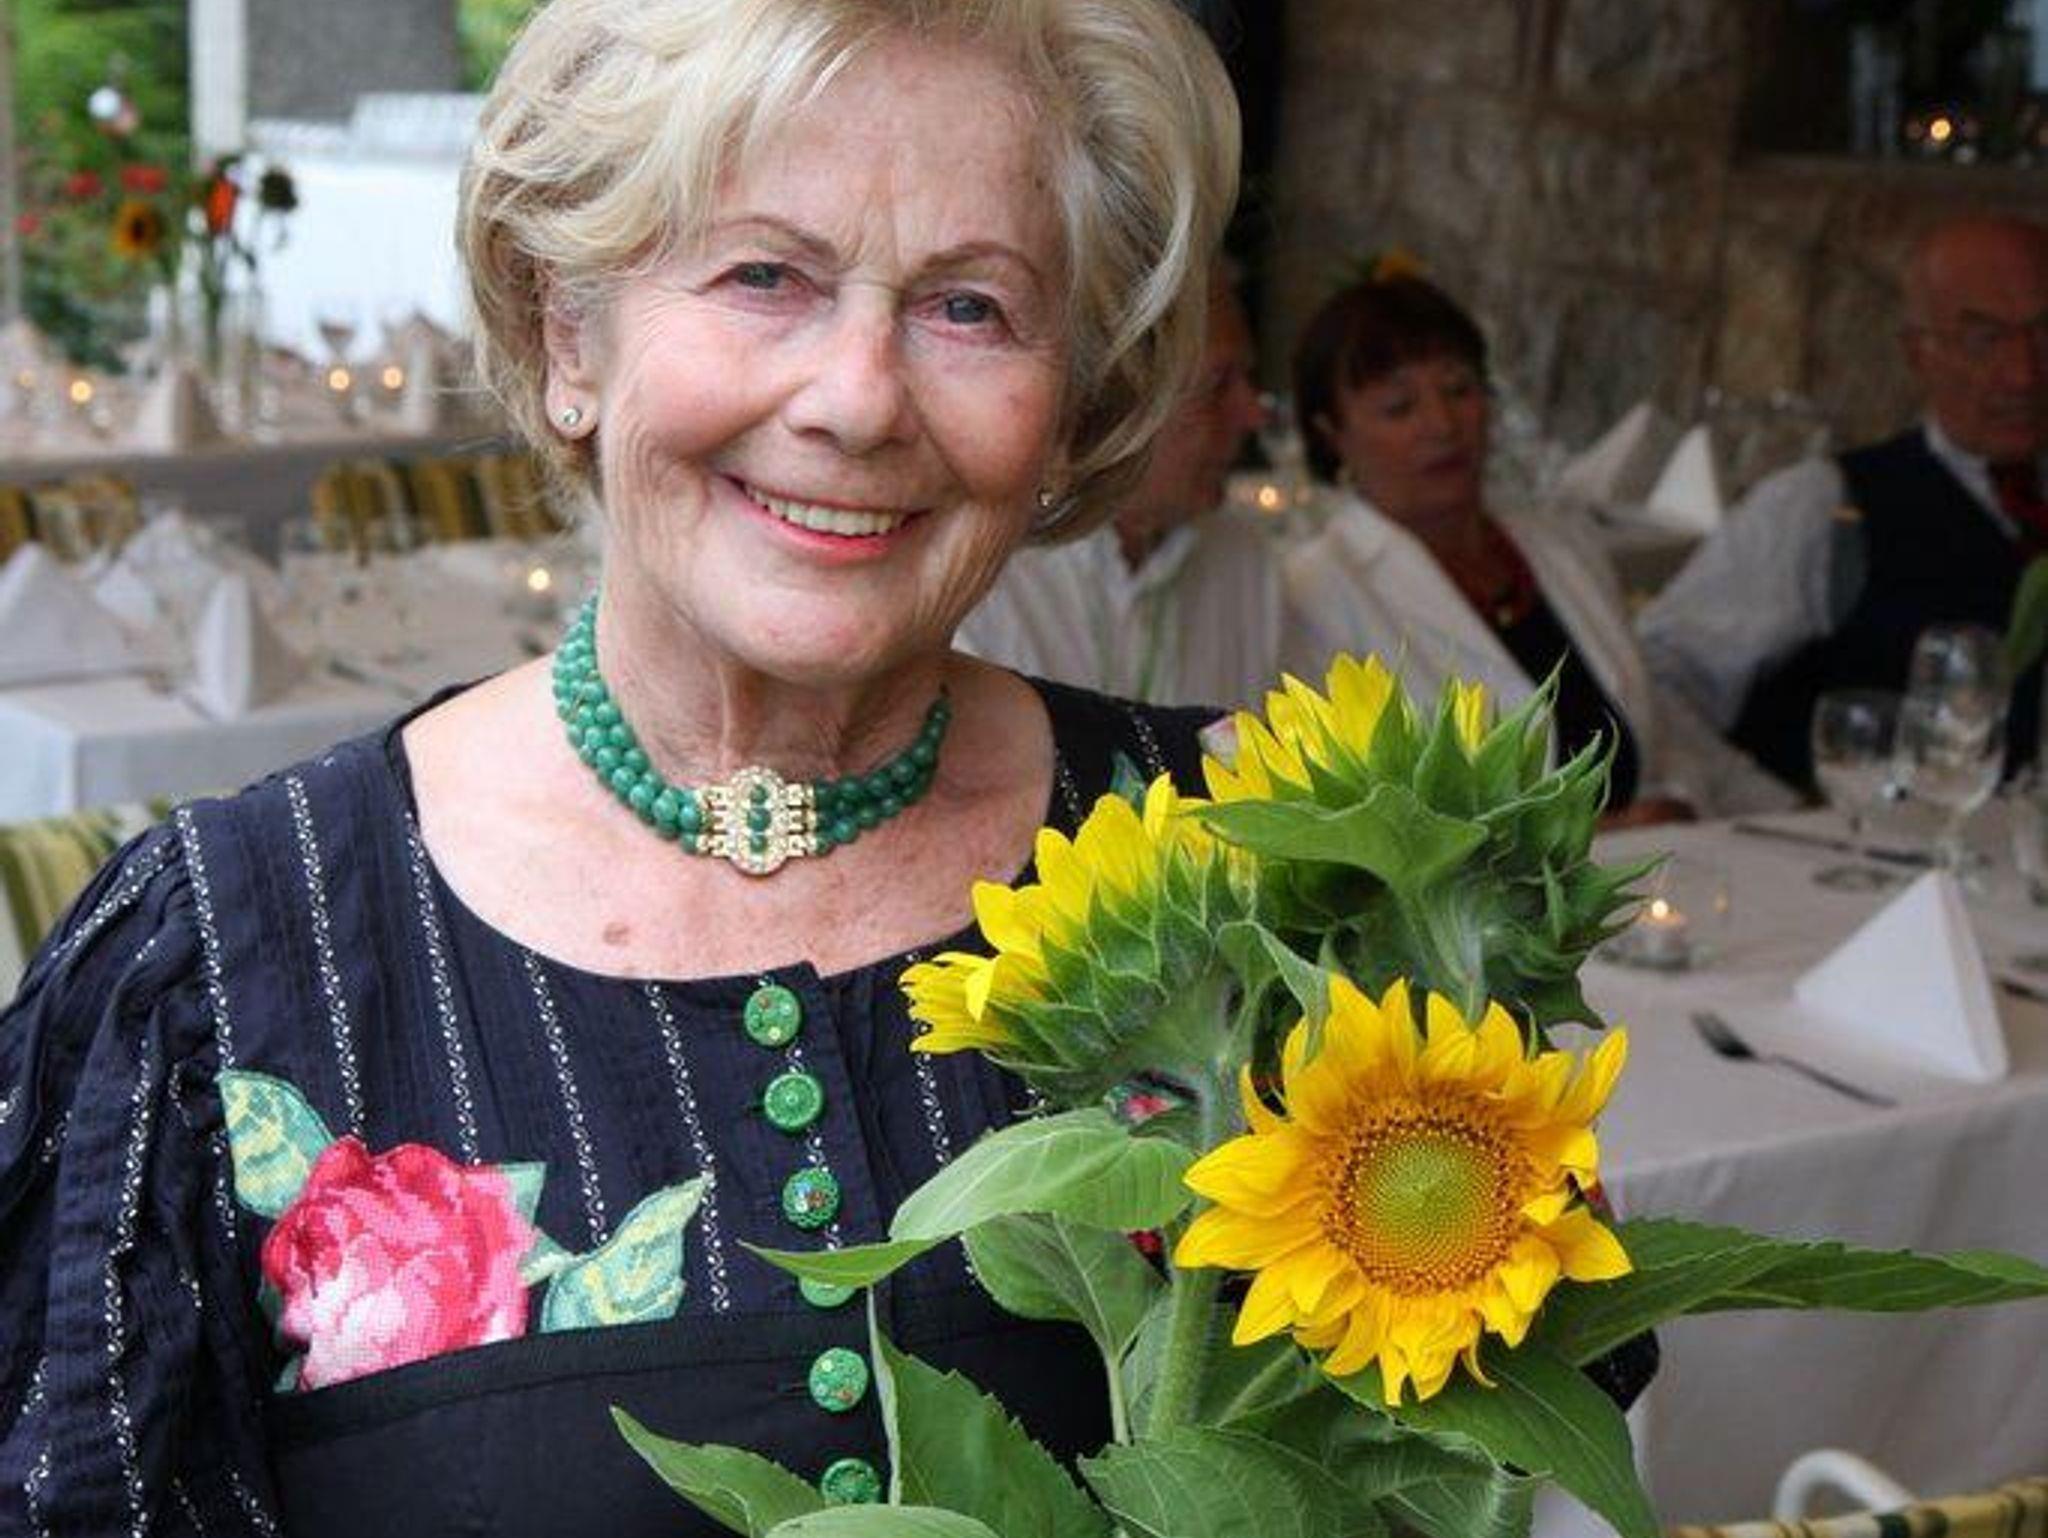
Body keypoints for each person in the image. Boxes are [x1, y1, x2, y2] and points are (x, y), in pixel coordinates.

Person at [0, 2, 1242, 1531]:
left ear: (1070, 402)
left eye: (971, 306)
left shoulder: (1253, 876)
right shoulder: (226, 958)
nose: (858, 397)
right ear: (566, 332)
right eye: (764, 275)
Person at [1284, 271, 1790, 822]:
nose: (1442, 424)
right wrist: (1601, 836)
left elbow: (1664, 732)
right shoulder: (1317, 591)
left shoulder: (1560, 541)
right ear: (1331, 433)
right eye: (1399, 407)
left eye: (1459, 389)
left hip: (1670, 860)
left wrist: (1770, 810)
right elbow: (1356, 820)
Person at [1639, 215, 2048, 791]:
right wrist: (1744, 801)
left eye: (2044, 333)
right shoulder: (1822, 506)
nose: (2024, 373)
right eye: (1983, 340)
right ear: (1918, 353)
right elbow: (1661, 680)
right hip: (1866, 840)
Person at [956, 272, 1287, 708]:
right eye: (1217, 385)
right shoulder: (988, 581)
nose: (1252, 415)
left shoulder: (1243, 563)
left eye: (1248, 378)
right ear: (1116, 400)